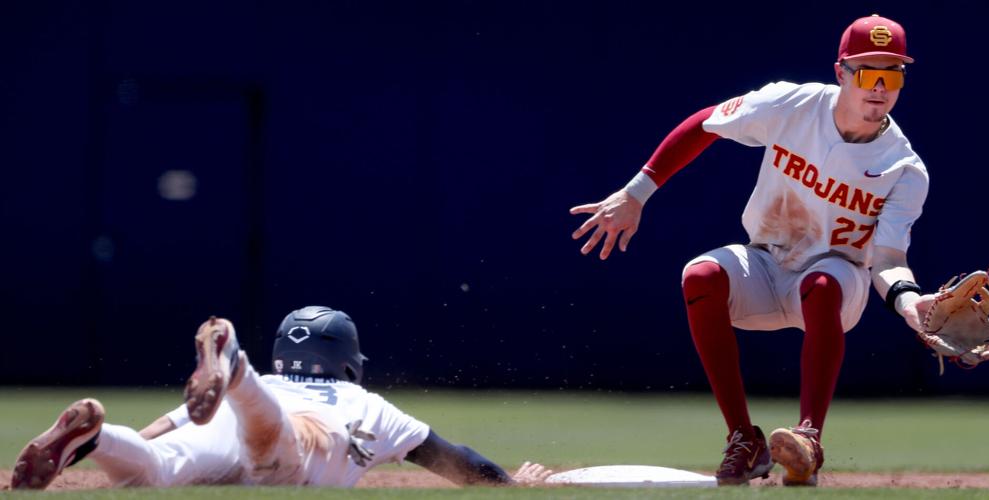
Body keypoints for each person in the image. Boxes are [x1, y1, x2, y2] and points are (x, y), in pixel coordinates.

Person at [570, 14, 931, 486]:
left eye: (893, 74)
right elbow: (706, 122)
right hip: (765, 259)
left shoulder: (904, 168)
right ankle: (745, 439)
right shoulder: (791, 104)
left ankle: (808, 441)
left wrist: (909, 303)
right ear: (841, 73)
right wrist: (637, 192)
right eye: (868, 72)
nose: (880, 87)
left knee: (821, 284)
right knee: (699, 275)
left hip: (837, 279)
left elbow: (885, 260)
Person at [11, 306, 552, 489]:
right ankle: (234, 360)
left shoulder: (264, 385)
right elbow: (456, 461)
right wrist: (510, 486)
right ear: (346, 358)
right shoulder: (365, 403)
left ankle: (98, 438)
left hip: (222, 423)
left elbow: (160, 430)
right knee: (275, 449)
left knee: (151, 467)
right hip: (293, 436)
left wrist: (128, 437)